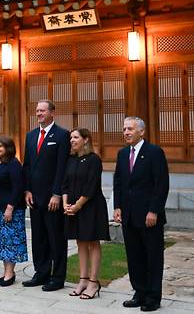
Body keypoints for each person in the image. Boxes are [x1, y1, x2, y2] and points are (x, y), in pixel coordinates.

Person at [114, 117, 169, 312]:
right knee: (134, 256)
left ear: (142, 132)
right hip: (128, 215)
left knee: (152, 257)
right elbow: (118, 182)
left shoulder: (154, 153)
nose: (126, 132)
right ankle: (139, 292)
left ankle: (153, 297)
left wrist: (154, 210)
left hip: (149, 216)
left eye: (130, 129)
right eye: (124, 129)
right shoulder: (122, 154)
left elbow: (161, 185)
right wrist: (117, 207)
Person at [22, 99, 70, 291]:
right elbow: (27, 166)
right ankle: (41, 273)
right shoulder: (31, 136)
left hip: (52, 198)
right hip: (35, 198)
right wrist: (27, 190)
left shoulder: (62, 135)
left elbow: (62, 167)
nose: (39, 113)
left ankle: (57, 277)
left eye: (43, 110)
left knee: (56, 238)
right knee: (39, 237)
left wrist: (57, 193)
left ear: (52, 113)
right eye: (37, 111)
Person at [62, 127, 109, 300]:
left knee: (92, 242)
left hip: (90, 206)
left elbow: (91, 186)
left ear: (86, 139)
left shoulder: (94, 160)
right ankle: (83, 280)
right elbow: (64, 184)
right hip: (73, 206)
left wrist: (77, 206)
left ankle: (94, 282)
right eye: (70, 138)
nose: (72, 140)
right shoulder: (71, 159)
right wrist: (66, 204)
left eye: (75, 137)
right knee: (80, 242)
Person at [0, 136, 27, 287]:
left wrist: (10, 208)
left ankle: (10, 273)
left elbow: (18, 187)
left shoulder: (13, 164)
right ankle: (6, 272)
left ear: (8, 148)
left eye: (1, 146)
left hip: (11, 209)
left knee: (10, 241)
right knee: (2, 242)